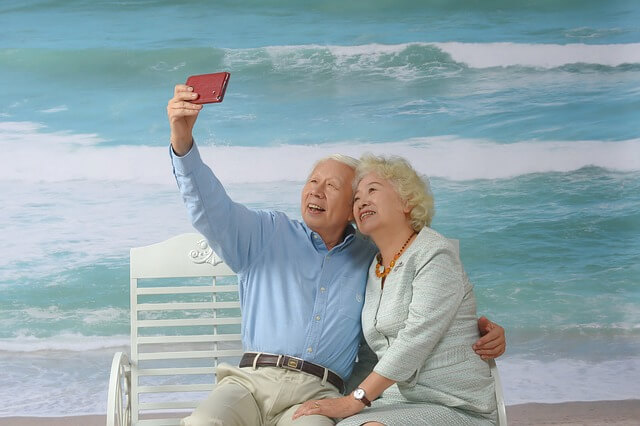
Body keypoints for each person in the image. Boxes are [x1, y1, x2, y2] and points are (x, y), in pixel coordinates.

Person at [167, 84, 505, 426]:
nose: (316, 190)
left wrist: (480, 330)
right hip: (250, 383)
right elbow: (209, 207)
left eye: (332, 187)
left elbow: (422, 311)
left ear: (351, 212)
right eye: (312, 181)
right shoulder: (265, 234)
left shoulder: (373, 258)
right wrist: (182, 142)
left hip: (320, 393)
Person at [294, 154, 498, 425]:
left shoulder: (434, 253)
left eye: (373, 190)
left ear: (407, 201)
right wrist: (336, 399)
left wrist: (353, 401)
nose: (362, 201)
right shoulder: (374, 268)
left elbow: (415, 340)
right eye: (356, 198)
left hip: (454, 403)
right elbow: (371, 354)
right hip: (393, 403)